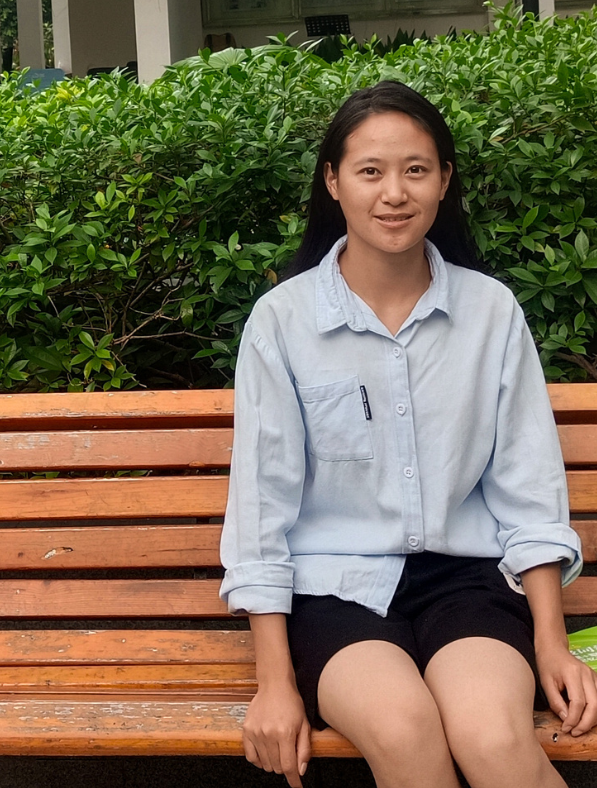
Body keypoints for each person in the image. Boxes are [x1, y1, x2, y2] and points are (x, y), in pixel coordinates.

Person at [219, 80, 596, 788]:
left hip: (468, 581)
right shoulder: (282, 321)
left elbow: (527, 491)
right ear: (333, 181)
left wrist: (552, 641)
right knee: (405, 731)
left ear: (444, 180)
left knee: (493, 739)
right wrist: (275, 682)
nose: (394, 193)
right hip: (334, 590)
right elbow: (261, 513)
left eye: (416, 170)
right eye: (370, 171)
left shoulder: (490, 312)